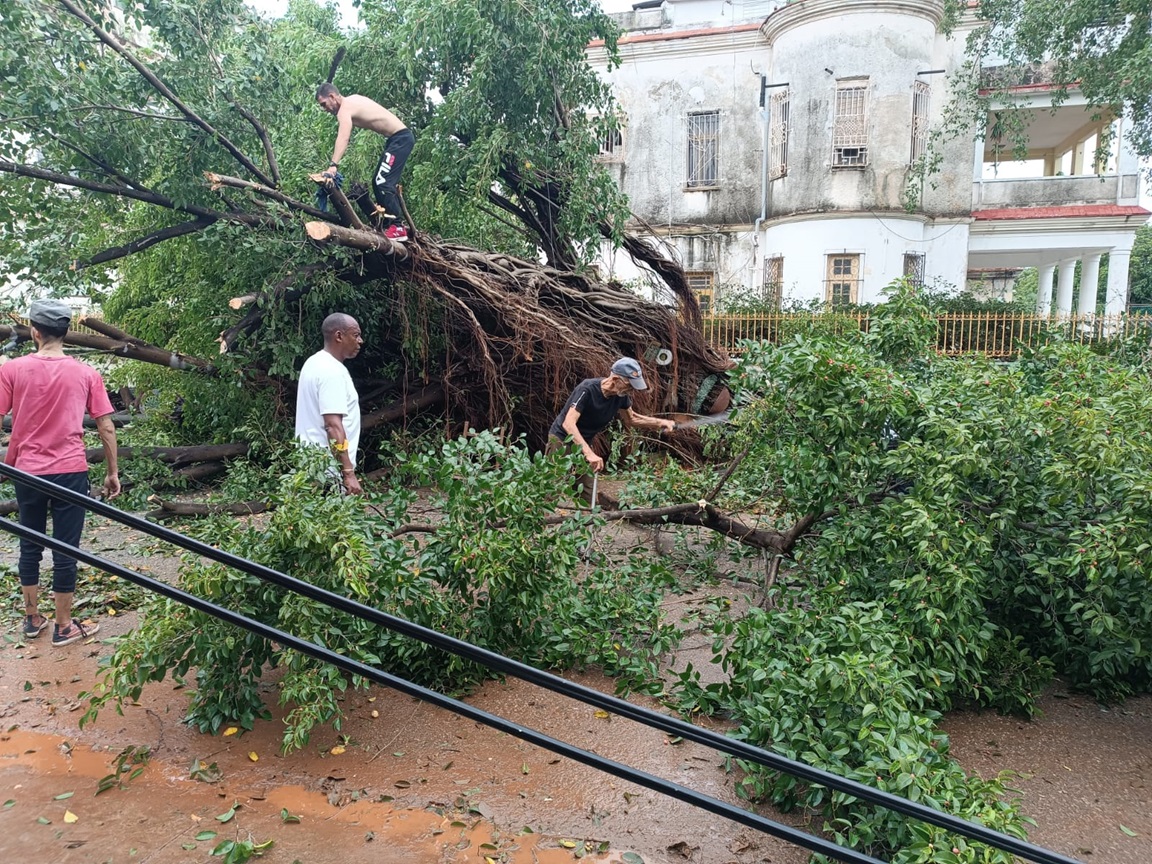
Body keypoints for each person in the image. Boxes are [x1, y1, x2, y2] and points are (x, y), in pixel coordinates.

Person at [0, 299, 120, 646]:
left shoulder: (11, 370)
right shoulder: (86, 373)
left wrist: (6, 462)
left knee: (30, 544)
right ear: (66, 333)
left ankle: (32, 618)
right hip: (69, 471)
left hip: (27, 473)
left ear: (35, 332)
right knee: (66, 548)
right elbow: (106, 426)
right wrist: (112, 472)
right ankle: (64, 626)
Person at [547, 357, 675, 505]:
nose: (631, 390)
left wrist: (660, 422)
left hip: (584, 442)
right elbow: (568, 423)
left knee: (587, 494)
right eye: (629, 385)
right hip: (562, 439)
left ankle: (584, 522)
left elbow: (631, 419)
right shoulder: (587, 389)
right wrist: (589, 454)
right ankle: (543, 523)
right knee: (551, 488)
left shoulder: (620, 397)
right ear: (615, 379)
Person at [316, 82, 414, 242]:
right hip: (396, 140)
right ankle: (391, 225)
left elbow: (343, 137)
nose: (324, 109)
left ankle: (397, 227)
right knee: (378, 182)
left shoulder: (344, 109)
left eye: (324, 104)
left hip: (400, 139)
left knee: (382, 182)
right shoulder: (353, 100)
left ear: (332, 97)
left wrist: (333, 165)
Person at [295, 313, 364, 495]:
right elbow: (332, 425)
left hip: (310, 466)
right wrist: (348, 472)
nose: (360, 341)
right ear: (339, 336)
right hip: (329, 471)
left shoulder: (313, 363)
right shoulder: (331, 371)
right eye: (355, 335)